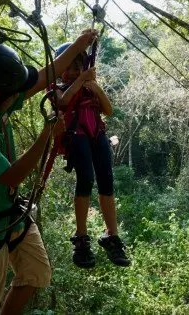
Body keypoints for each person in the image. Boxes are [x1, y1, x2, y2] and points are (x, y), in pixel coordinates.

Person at [0, 30, 97, 315]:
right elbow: (11, 176)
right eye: (13, 92)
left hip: (12, 216)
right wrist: (47, 133)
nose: (18, 96)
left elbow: (42, 78)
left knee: (35, 274)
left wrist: (78, 45)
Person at [54, 42, 131, 269]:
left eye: (77, 68)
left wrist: (95, 87)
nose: (72, 72)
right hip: (76, 134)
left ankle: (111, 235)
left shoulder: (90, 88)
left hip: (97, 134)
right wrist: (81, 80)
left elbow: (108, 111)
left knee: (106, 181)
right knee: (86, 178)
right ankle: (81, 237)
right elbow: (63, 101)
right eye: (67, 68)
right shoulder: (57, 88)